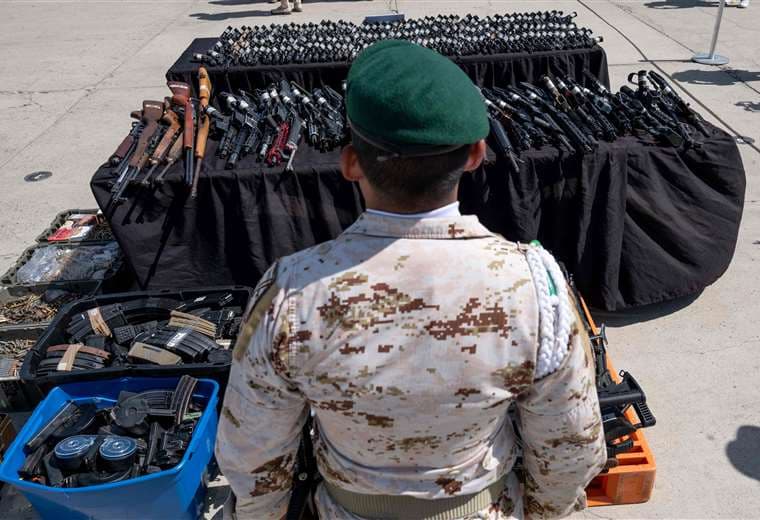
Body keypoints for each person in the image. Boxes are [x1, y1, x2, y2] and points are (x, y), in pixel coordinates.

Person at [216, 40, 607, 520]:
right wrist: (542, 512)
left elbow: (251, 451)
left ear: (350, 163)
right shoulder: (534, 288)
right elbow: (571, 447)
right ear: (477, 154)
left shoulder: (291, 293)